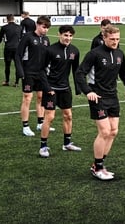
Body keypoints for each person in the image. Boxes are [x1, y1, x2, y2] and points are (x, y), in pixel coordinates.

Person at [75, 24, 125, 180]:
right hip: (98, 97)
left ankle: (99, 164)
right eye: (112, 39)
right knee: (105, 131)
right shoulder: (94, 54)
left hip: (112, 96)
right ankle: (98, 168)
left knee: (114, 131)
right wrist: (88, 91)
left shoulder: (120, 53)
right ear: (104, 38)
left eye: (117, 39)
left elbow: (123, 72)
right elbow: (79, 74)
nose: (115, 42)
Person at [38, 25, 82, 158]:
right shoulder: (50, 50)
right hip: (51, 89)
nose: (68, 38)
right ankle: (43, 146)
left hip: (65, 88)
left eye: (70, 36)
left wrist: (78, 87)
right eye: (65, 35)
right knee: (50, 117)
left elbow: (76, 71)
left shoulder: (74, 51)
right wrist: (47, 88)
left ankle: (67, 143)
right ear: (59, 35)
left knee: (68, 115)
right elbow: (41, 70)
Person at [15, 15, 52, 137]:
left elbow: (48, 57)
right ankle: (25, 126)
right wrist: (20, 71)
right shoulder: (27, 37)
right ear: (37, 25)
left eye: (47, 28)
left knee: (41, 97)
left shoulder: (46, 40)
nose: (45, 30)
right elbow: (18, 55)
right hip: (28, 72)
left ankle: (40, 123)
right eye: (43, 27)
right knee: (27, 98)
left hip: (41, 73)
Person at [0, 14, 22, 86]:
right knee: (17, 65)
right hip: (17, 48)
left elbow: (0, 38)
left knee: (7, 65)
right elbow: (21, 38)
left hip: (8, 48)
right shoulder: (19, 27)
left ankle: (7, 81)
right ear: (14, 19)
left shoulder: (4, 27)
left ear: (7, 19)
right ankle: (17, 83)